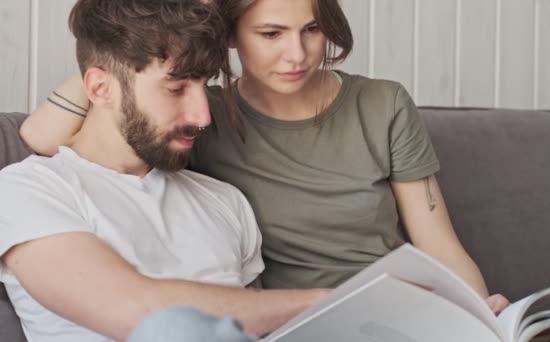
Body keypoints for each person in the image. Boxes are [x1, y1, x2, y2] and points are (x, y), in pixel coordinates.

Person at [21, 0, 509, 312]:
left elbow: (440, 245)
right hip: (320, 318)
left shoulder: (381, 104)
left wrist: (481, 314)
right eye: (271, 34)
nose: (297, 54)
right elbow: (43, 136)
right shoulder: (198, 119)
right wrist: (125, 41)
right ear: (232, 37)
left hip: (398, 306)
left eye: (312, 29)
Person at [0, 1, 327, 341]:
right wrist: (322, 301)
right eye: (176, 89)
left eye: (203, 85)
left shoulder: (224, 200)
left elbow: (263, 326)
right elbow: (137, 313)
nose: (202, 117)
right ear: (100, 88)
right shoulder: (28, 190)